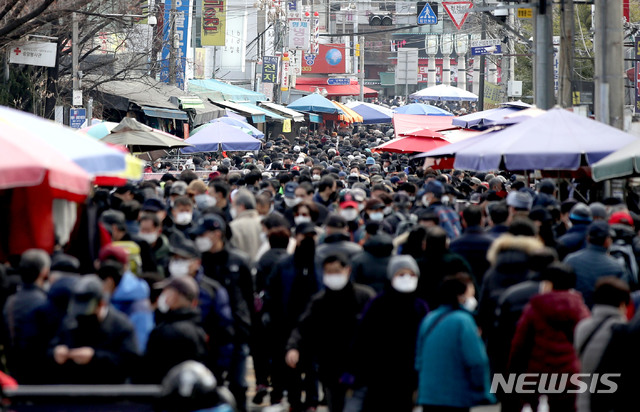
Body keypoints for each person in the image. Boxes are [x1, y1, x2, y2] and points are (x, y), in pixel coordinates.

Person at [285, 254, 375, 412]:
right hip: (331, 368)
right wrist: (293, 347)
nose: (333, 276)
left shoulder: (364, 297)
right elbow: (303, 326)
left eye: (337, 271)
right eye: (329, 272)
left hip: (361, 368)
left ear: (347, 270)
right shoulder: (319, 301)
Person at [349, 255, 429, 412]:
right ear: (391, 276)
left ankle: (494, 389)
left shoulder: (420, 306)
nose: (407, 278)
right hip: (379, 374)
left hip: (409, 373)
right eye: (401, 274)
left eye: (411, 275)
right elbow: (363, 337)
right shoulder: (378, 304)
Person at [508, 263, 590, 412]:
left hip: (538, 376)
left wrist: (513, 375)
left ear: (549, 284)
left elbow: (519, 346)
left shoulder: (534, 309)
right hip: (570, 376)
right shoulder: (579, 309)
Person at [263, 222, 322, 411]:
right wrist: (271, 313)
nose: (308, 240)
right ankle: (295, 400)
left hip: (314, 321)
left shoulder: (320, 262)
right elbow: (272, 290)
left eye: (312, 236)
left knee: (312, 364)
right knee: (291, 363)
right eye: (305, 236)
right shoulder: (284, 264)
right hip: (287, 321)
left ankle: (312, 400)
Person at [416, 274, 495, 412]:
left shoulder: (429, 319)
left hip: (428, 395)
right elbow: (476, 360)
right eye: (470, 294)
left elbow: (419, 358)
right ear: (460, 296)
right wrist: (482, 389)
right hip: (455, 397)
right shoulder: (464, 321)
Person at [49, 275, 140, 384]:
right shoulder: (70, 321)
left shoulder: (121, 326)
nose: (82, 317)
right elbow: (51, 348)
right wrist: (56, 353)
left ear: (101, 304)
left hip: (109, 392)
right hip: (75, 390)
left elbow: (130, 363)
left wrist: (95, 357)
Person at [574, 277, 629, 412]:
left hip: (583, 398)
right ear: (622, 304)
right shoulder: (621, 330)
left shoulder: (582, 327)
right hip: (609, 401)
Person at [143, 276, 208, 384]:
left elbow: (153, 368)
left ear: (175, 296)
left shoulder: (168, 331)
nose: (162, 297)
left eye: (165, 292)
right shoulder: (197, 329)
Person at [3, 249, 50, 384]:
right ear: (44, 272)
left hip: (14, 375)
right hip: (39, 378)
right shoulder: (45, 302)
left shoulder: (10, 302)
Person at [564, 221, 627, 308]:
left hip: (574, 312)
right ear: (607, 241)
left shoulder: (570, 260)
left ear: (588, 238)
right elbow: (623, 297)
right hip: (603, 317)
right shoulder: (616, 267)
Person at [450, 205, 494, 284]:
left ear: (463, 221)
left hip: (462, 287)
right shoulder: (492, 243)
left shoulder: (454, 244)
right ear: (482, 220)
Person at [229, 190, 263, 262]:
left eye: (234, 205)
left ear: (241, 206)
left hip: (243, 268)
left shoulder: (233, 226)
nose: (232, 208)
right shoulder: (264, 222)